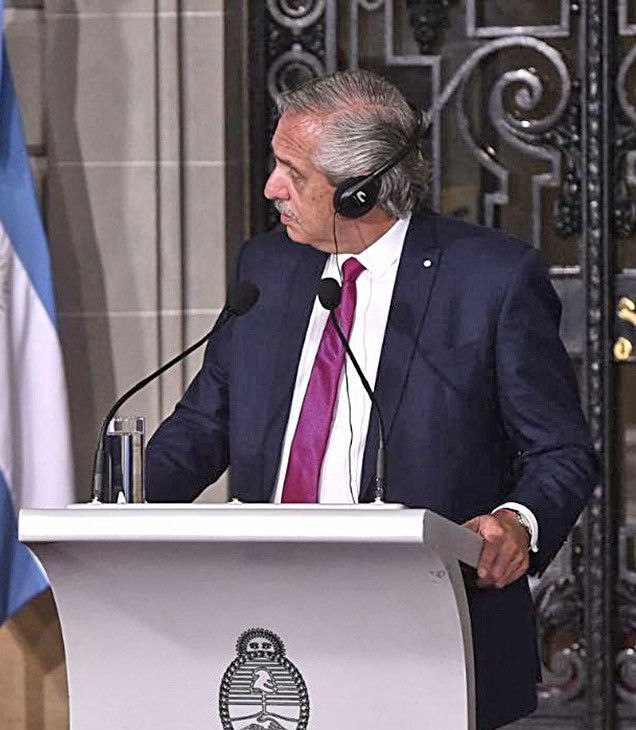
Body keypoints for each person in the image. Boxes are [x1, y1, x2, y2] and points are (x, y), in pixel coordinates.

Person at [144, 69, 596, 729]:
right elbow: (201, 426)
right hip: (264, 618)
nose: (271, 188)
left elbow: (561, 452)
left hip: (428, 632)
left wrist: (516, 522)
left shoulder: (490, 280)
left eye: (291, 173)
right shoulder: (265, 269)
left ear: (359, 192)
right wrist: (114, 518)